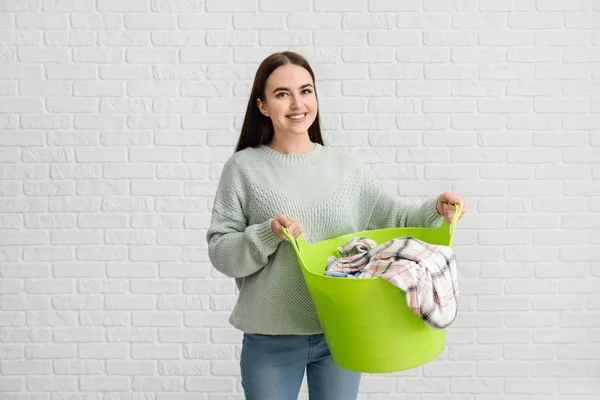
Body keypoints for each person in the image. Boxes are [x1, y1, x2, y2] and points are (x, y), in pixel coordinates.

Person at [206, 51, 466, 400]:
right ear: (263, 106)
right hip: (271, 339)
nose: (297, 103)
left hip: (343, 332)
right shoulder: (243, 168)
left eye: (306, 90)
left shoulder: (346, 169)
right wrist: (269, 233)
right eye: (282, 93)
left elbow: (396, 220)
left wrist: (436, 209)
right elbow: (222, 253)